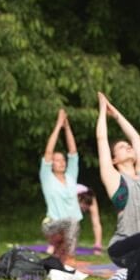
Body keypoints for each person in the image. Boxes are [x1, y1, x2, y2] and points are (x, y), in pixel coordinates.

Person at [94, 93, 140, 280]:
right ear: (114, 159)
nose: (129, 147)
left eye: (127, 146)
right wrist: (103, 111)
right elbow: (101, 139)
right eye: (122, 147)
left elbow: (136, 138)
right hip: (123, 247)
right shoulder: (115, 179)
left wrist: (117, 114)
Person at [39, 108, 82, 267]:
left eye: (63, 160)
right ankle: (69, 257)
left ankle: (61, 260)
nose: (62, 162)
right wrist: (58, 126)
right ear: (51, 164)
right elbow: (48, 152)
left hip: (71, 227)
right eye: (57, 160)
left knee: (73, 223)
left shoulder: (71, 176)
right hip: (52, 225)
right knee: (71, 222)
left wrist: (67, 127)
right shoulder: (47, 178)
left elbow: (73, 152)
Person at [76, 185, 104, 255]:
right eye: (84, 207)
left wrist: (98, 247)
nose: (85, 210)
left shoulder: (91, 199)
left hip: (86, 195)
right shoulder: (72, 197)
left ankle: (98, 246)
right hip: (70, 194)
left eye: (86, 207)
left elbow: (96, 224)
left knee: (96, 221)